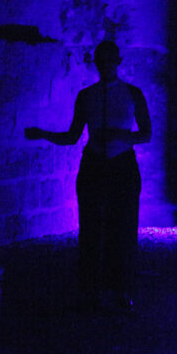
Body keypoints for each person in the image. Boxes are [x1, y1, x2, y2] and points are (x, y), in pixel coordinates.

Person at [24, 40, 151, 312]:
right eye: (102, 61)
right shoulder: (86, 96)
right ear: (97, 63)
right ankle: (91, 290)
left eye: (110, 60)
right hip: (94, 163)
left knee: (123, 227)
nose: (106, 65)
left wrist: (120, 135)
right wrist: (43, 134)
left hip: (122, 164)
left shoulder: (133, 93)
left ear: (118, 61)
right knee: (91, 228)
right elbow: (72, 136)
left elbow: (146, 134)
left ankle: (120, 289)